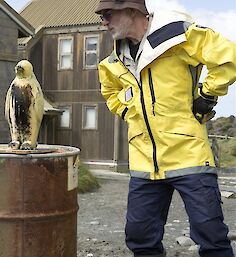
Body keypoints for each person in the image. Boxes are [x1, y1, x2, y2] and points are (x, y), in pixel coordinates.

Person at [95, 0, 236, 256]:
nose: (103, 21)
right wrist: (127, 110)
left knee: (211, 236)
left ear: (131, 10)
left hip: (189, 154)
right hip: (143, 163)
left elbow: (227, 56)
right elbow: (110, 92)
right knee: (139, 237)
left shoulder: (178, 37)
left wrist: (207, 95)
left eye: (107, 14)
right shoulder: (113, 63)